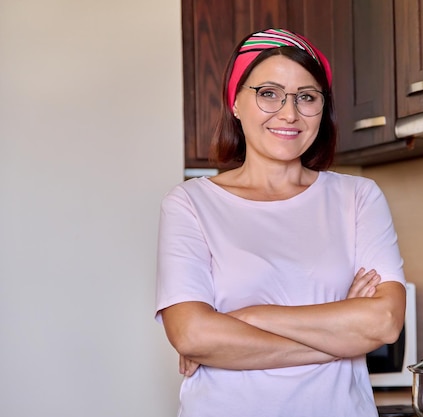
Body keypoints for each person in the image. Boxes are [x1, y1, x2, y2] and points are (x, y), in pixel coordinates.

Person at [155, 28, 406, 417]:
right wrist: (342, 332)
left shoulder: (358, 197)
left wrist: (249, 317)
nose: (289, 113)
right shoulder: (190, 203)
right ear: (235, 102)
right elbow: (192, 334)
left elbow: (385, 323)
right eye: (268, 93)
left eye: (306, 97)